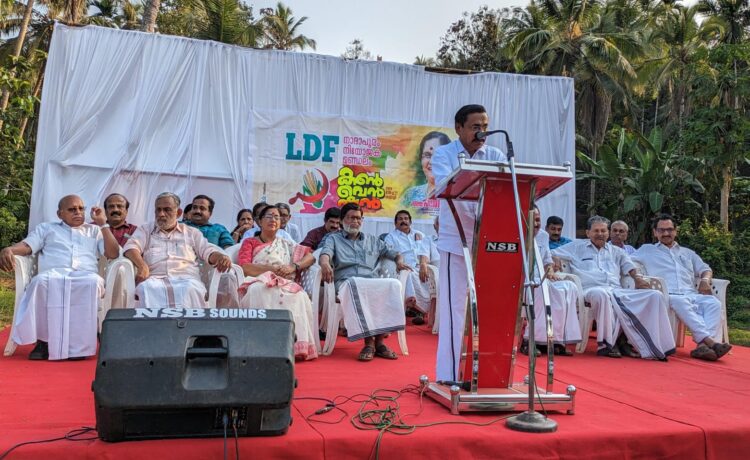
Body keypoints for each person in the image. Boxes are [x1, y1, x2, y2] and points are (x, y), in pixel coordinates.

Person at [431, 104, 507, 382]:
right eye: (475, 127)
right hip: (456, 242)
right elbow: (446, 188)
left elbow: (505, 191)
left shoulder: (496, 155)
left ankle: (488, 373)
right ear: (459, 128)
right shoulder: (444, 154)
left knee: (491, 310)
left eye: (485, 126)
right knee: (454, 310)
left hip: (490, 243)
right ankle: (449, 375)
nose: (481, 132)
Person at [0, 195, 119, 360]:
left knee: (92, 283)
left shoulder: (94, 230)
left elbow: (113, 253)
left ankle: (78, 348)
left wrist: (103, 224)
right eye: (72, 209)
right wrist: (9, 249)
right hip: (54, 273)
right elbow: (27, 246)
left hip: (85, 274)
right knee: (39, 282)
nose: (78, 212)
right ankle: (43, 342)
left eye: (81, 208)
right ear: (59, 214)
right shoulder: (46, 228)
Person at [553, 216, 675, 360]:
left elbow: (629, 266)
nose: (600, 234)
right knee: (602, 294)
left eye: (603, 231)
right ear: (588, 233)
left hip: (616, 290)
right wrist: (555, 259)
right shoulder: (576, 247)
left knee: (655, 295)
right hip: (590, 290)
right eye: (596, 231)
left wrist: (637, 279)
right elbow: (551, 252)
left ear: (608, 233)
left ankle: (655, 344)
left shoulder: (616, 251)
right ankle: (607, 344)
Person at [632, 214, 731, 361]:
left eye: (669, 229)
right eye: (661, 230)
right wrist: (638, 277)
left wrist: (705, 280)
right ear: (655, 232)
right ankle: (710, 343)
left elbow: (705, 268)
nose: (666, 233)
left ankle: (702, 347)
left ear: (675, 231)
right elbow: (628, 264)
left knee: (713, 303)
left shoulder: (687, 253)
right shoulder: (647, 250)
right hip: (667, 294)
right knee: (680, 301)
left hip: (691, 293)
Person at [319, 203, 410, 361]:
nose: (355, 221)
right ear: (342, 220)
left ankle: (379, 343)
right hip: (346, 282)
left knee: (392, 285)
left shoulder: (373, 240)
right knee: (359, 286)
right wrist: (325, 264)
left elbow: (395, 254)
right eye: (351, 218)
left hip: (370, 281)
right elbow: (325, 254)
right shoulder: (333, 238)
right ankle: (369, 343)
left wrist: (400, 262)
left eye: (358, 218)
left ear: (362, 220)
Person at [237, 205, 318, 360]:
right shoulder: (250, 242)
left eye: (277, 217)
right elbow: (245, 267)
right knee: (258, 290)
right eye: (269, 216)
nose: (273, 220)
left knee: (298, 296)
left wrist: (293, 266)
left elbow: (310, 257)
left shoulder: (287, 243)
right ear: (259, 221)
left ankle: (294, 346)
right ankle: (260, 345)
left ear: (281, 222)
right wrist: (272, 269)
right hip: (259, 279)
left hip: (284, 281)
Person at [124, 192, 232, 308]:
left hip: (187, 279)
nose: (161, 214)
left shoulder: (191, 233)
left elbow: (207, 251)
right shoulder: (146, 230)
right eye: (158, 210)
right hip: (153, 279)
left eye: (167, 210)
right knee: (146, 289)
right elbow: (131, 247)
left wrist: (221, 257)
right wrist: (142, 266)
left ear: (178, 213)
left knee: (191, 290)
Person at [521, 207, 582, 356]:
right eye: (532, 220)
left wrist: (550, 271)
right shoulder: (517, 234)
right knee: (541, 289)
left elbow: (547, 260)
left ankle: (556, 340)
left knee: (569, 287)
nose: (536, 224)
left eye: (538, 220)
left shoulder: (543, 235)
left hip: (542, 278)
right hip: (523, 280)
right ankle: (530, 341)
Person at [384, 210, 435, 324]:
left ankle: (419, 309)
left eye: (406, 219)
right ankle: (416, 308)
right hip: (403, 266)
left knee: (430, 276)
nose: (403, 221)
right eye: (400, 219)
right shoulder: (391, 237)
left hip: (421, 266)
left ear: (410, 222)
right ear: (395, 223)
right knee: (410, 275)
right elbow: (389, 253)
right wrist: (399, 262)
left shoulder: (419, 235)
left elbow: (427, 252)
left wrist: (424, 263)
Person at [401, 131, 451, 215]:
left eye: (437, 156)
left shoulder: (456, 195)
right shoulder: (411, 194)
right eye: (427, 155)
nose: (431, 161)